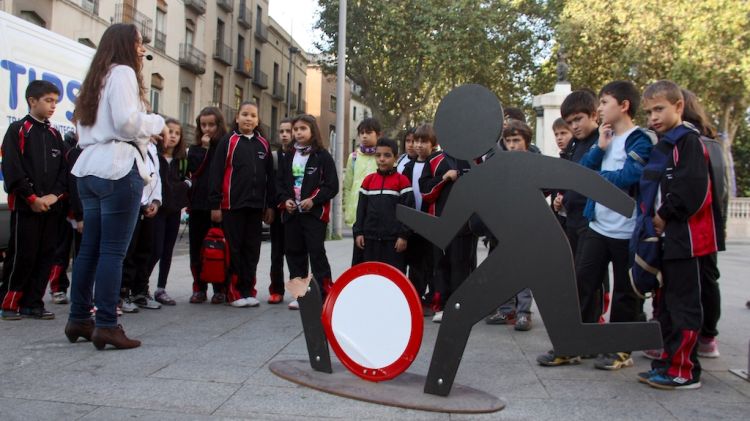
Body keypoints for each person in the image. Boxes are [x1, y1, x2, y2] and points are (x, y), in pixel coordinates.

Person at [65, 24, 166, 349]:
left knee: (90, 250)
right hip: (118, 165)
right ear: (126, 44)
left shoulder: (96, 77)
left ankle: (79, 317)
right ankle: (107, 323)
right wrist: (156, 122)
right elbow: (126, 122)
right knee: (111, 250)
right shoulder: (122, 72)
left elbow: (83, 127)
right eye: (138, 43)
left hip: (90, 167)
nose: (142, 50)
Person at [636, 80, 717, 390]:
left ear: (679, 107)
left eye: (660, 109)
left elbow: (691, 190)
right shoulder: (665, 144)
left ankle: (684, 369)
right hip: (668, 241)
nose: (653, 117)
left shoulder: (688, 143)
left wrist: (663, 216)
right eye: (649, 112)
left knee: (683, 305)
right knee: (666, 305)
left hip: (688, 241)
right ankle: (668, 362)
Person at [575, 81, 654, 371]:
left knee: (625, 291)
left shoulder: (640, 140)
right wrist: (600, 147)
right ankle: (577, 342)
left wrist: (597, 181)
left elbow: (629, 178)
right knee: (583, 282)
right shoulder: (603, 138)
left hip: (628, 230)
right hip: (597, 225)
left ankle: (621, 349)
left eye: (605, 102)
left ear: (624, 106)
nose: (599, 108)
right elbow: (582, 171)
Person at [541, 89, 606, 367]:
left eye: (579, 119)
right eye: (570, 122)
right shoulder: (574, 147)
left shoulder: (601, 143)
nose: (575, 126)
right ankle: (583, 341)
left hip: (594, 223)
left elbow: (590, 181)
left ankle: (573, 342)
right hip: (572, 221)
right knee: (578, 282)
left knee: (585, 283)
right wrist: (560, 196)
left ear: (594, 115)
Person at [0, 80, 68, 321]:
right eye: (48, 101)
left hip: (51, 209)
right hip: (25, 208)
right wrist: (31, 198)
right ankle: (9, 303)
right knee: (22, 255)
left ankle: (33, 303)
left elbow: (64, 172)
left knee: (46, 254)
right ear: (32, 101)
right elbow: (12, 168)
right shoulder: (18, 130)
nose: (52, 106)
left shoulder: (54, 135)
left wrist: (53, 196)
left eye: (55, 102)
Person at [208, 101, 275, 308]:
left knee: (252, 250)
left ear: (257, 120)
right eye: (244, 114)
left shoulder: (263, 144)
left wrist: (269, 205)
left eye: (253, 115)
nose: (248, 118)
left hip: (256, 207)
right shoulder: (228, 141)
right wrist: (215, 204)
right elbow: (216, 173)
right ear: (237, 118)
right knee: (234, 250)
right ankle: (234, 292)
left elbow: (270, 178)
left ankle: (248, 290)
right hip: (231, 206)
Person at [680, 89, 727, 359]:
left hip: (700, 225)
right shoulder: (710, 143)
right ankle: (706, 335)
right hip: (708, 225)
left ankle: (706, 335)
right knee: (707, 279)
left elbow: (716, 189)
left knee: (703, 280)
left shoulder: (699, 144)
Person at [276, 114, 338, 297]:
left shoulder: (322, 156)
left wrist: (313, 200)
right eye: (295, 129)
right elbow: (279, 182)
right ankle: (300, 295)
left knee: (316, 252)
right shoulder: (288, 155)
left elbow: (331, 186)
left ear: (312, 131)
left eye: (303, 129)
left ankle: (325, 294)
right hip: (292, 214)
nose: (298, 132)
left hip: (314, 215)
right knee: (294, 253)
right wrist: (285, 199)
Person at [486, 120, 537, 331]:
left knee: (523, 269)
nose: (513, 145)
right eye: (508, 141)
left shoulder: (534, 162)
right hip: (503, 222)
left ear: (526, 141)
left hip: (525, 222)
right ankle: (506, 309)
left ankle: (524, 312)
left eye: (517, 140)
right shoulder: (500, 162)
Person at [186, 107, 228, 304]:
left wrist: (218, 204)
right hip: (198, 206)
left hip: (219, 204)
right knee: (197, 249)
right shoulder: (195, 148)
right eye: (203, 125)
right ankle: (199, 287)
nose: (207, 129)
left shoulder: (225, 147)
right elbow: (194, 170)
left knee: (219, 248)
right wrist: (203, 148)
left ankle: (220, 288)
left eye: (211, 124)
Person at [353, 138, 413, 272]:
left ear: (395, 157)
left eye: (387, 155)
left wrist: (403, 236)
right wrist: (358, 233)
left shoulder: (402, 181)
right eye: (378, 155)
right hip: (369, 240)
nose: (382, 159)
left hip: (393, 241)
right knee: (369, 275)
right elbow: (361, 210)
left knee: (393, 277)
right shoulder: (368, 181)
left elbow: (408, 211)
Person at [148, 118, 190, 306]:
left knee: (167, 251)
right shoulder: (154, 155)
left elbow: (186, 182)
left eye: (176, 133)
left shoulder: (182, 161)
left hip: (173, 211)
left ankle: (161, 288)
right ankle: (141, 286)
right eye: (169, 132)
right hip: (156, 210)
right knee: (154, 249)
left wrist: (185, 186)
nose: (172, 136)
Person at [119, 135, 162, 312]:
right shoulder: (128, 143)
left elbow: (155, 177)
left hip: (148, 206)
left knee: (145, 250)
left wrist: (156, 201)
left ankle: (140, 290)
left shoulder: (152, 147)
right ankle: (123, 292)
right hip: (132, 203)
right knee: (129, 251)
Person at [402, 125, 438, 314]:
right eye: (416, 141)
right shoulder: (408, 167)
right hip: (412, 220)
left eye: (424, 141)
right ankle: (416, 297)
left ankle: (433, 297)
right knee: (415, 262)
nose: (418, 145)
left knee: (431, 261)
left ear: (433, 144)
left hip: (429, 220)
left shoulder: (435, 164)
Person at [47, 130, 81, 305]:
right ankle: (57, 288)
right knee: (61, 249)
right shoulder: (68, 147)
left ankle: (80, 290)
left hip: (82, 208)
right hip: (65, 207)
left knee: (81, 253)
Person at [344, 118, 381, 265]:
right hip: (357, 216)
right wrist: (348, 211)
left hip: (376, 213)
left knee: (374, 255)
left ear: (378, 134)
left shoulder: (382, 156)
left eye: (369, 132)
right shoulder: (353, 157)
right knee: (358, 255)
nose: (364, 136)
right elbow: (347, 186)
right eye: (361, 133)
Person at [270, 118, 295, 308]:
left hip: (295, 211)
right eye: (282, 131)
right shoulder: (275, 156)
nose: (285, 134)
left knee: (295, 253)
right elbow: (271, 184)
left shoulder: (301, 155)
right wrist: (271, 207)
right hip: (278, 211)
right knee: (276, 253)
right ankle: (276, 290)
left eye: (289, 131)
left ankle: (298, 292)